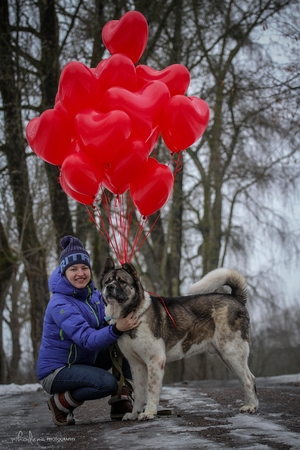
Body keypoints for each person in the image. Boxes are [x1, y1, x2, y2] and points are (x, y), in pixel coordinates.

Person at [36, 235, 139, 427]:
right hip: (57, 371)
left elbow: (107, 321)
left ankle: (121, 400)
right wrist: (117, 328)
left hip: (84, 361)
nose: (80, 273)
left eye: (84, 268)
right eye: (73, 269)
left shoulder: (94, 295)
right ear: (64, 273)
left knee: (125, 341)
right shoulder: (60, 303)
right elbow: (87, 339)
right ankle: (60, 403)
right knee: (105, 383)